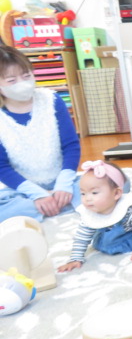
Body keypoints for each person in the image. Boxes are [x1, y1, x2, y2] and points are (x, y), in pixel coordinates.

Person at [0, 46, 81, 223]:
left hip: (62, 181)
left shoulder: (51, 100)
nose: (22, 83)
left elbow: (71, 146)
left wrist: (64, 184)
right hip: (22, 190)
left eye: (26, 76)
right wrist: (37, 194)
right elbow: (2, 167)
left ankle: (51, 205)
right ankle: (58, 205)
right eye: (12, 80)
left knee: (111, 183)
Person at [58, 160, 132, 272]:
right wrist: (75, 258)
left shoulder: (130, 209)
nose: (87, 198)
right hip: (115, 232)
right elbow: (82, 237)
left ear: (116, 193)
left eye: (94, 193)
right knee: (105, 243)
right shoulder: (90, 212)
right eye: (83, 193)